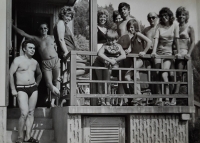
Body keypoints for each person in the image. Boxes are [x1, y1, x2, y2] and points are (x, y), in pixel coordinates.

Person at [12, 22, 60, 107]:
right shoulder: (37, 39)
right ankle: (53, 96)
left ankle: (52, 102)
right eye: (41, 28)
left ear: (48, 29)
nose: (43, 30)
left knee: (56, 81)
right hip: (45, 63)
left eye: (45, 28)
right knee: (49, 83)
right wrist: (11, 25)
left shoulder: (52, 37)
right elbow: (22, 33)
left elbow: (62, 41)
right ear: (39, 30)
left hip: (55, 60)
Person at [53, 6, 88, 105]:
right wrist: (65, 52)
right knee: (86, 67)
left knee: (81, 69)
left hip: (71, 52)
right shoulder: (60, 23)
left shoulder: (65, 24)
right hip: (68, 53)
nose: (69, 18)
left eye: (70, 16)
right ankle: (67, 77)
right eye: (67, 15)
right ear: (62, 15)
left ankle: (67, 77)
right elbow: (60, 39)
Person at [9, 40, 42, 143]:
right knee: (24, 113)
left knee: (31, 113)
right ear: (24, 49)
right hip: (21, 88)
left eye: (33, 48)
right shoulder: (17, 60)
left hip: (33, 88)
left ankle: (28, 137)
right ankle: (20, 138)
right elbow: (10, 74)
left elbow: (40, 74)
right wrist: (13, 89)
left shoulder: (35, 62)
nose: (32, 50)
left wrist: (37, 83)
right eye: (30, 48)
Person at [151, 7, 180, 106]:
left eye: (166, 15)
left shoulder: (175, 25)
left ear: (170, 16)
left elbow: (176, 39)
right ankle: (159, 99)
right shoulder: (159, 25)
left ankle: (167, 98)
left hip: (168, 53)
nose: (164, 17)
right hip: (159, 52)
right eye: (162, 16)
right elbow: (156, 40)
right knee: (158, 73)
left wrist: (178, 52)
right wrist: (154, 52)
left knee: (164, 74)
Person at [124, 19, 152, 105]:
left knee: (130, 75)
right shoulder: (132, 37)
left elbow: (149, 42)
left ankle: (138, 95)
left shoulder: (138, 34)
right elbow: (130, 48)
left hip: (139, 60)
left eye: (132, 27)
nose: (130, 29)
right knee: (131, 77)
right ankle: (138, 95)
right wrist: (127, 51)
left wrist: (144, 51)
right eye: (129, 27)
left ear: (135, 27)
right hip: (134, 60)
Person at [98, 30, 126, 105]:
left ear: (116, 39)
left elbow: (124, 55)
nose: (110, 42)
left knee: (121, 81)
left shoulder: (119, 46)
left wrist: (115, 60)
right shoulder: (105, 46)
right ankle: (107, 100)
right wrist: (109, 60)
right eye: (109, 40)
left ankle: (120, 101)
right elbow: (99, 53)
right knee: (107, 82)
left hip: (117, 66)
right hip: (108, 66)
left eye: (112, 40)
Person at [173, 6, 195, 105]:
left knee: (179, 75)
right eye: (179, 15)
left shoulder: (189, 28)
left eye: (183, 15)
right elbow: (174, 40)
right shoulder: (176, 27)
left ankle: (174, 98)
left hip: (183, 52)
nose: (181, 16)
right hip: (175, 52)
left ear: (186, 16)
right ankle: (168, 97)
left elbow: (193, 41)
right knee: (170, 75)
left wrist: (189, 54)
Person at [92, 9, 109, 105]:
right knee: (99, 78)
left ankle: (108, 100)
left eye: (104, 17)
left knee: (107, 78)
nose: (102, 19)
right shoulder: (95, 28)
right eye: (101, 17)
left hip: (106, 54)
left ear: (106, 18)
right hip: (98, 53)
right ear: (98, 18)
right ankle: (100, 100)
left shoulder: (108, 30)